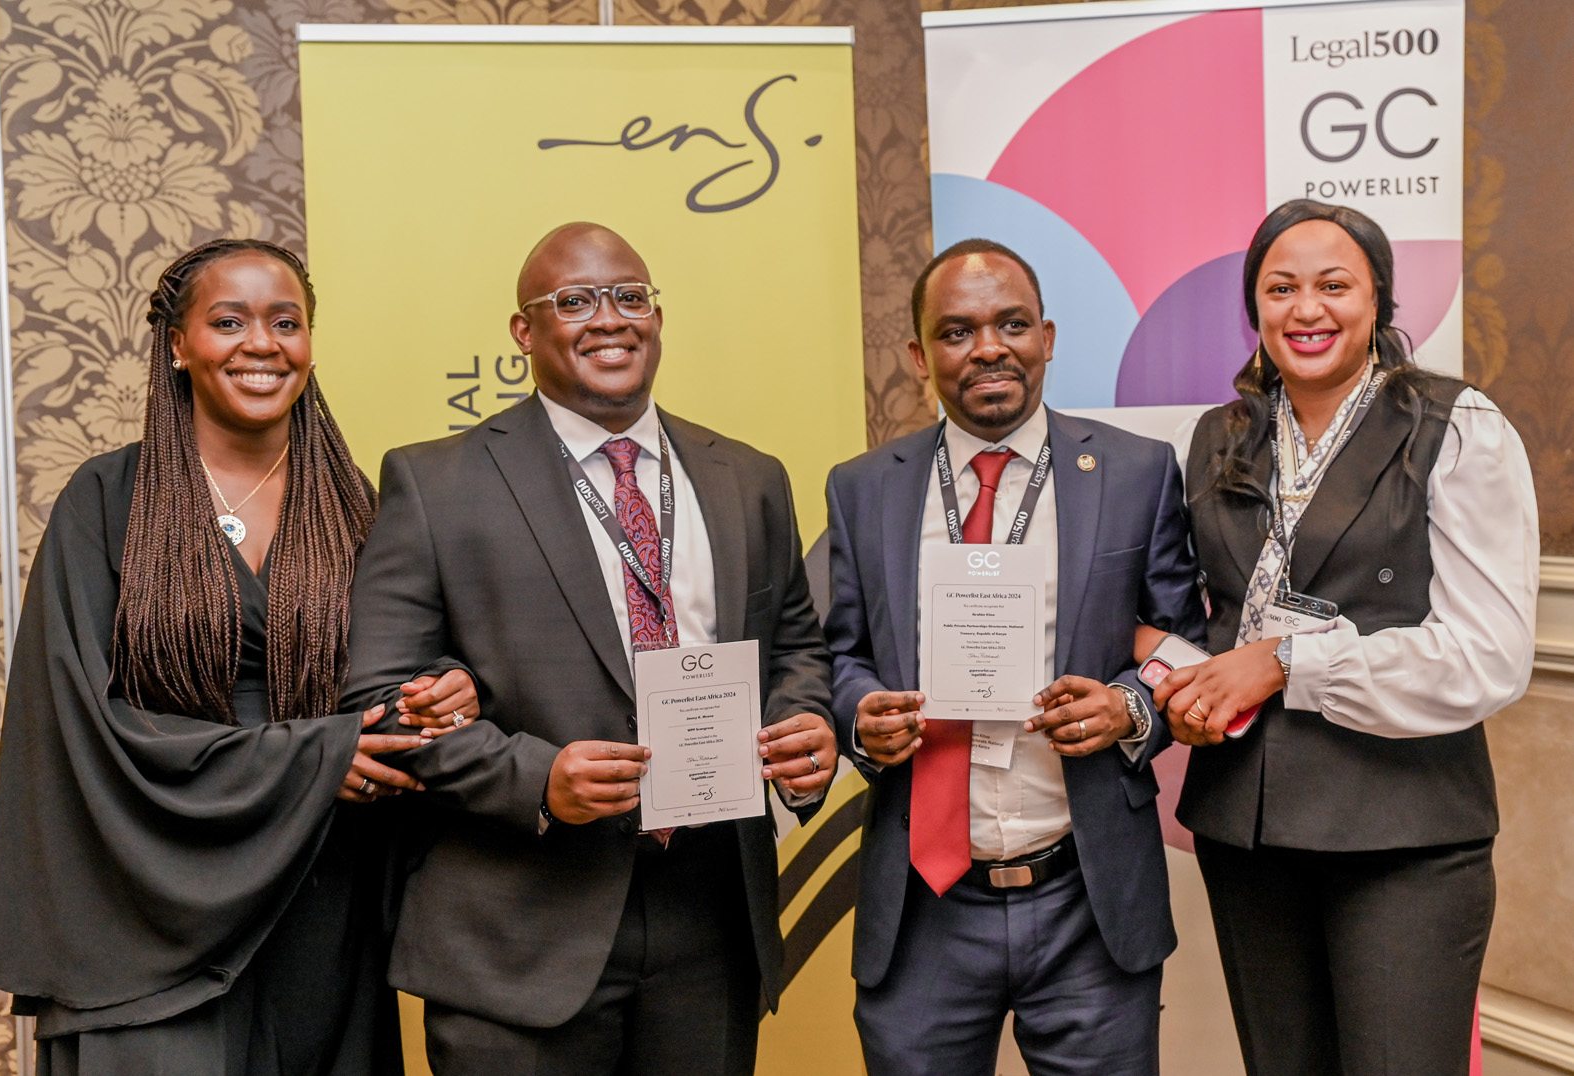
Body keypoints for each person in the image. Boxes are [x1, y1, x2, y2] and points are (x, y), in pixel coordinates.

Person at [339, 221, 839, 1075]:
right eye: (574, 301)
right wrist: (537, 780)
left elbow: (794, 645)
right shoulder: (436, 482)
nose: (610, 319)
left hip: (710, 917)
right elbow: (382, 699)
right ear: (524, 331)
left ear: (656, 317)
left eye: (629, 297)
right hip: (520, 929)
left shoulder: (749, 477)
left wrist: (805, 724)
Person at [0, 238, 480, 1075]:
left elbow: (388, 681)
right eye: (229, 322)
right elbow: (77, 724)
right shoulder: (108, 501)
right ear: (178, 344)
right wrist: (313, 759)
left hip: (319, 905)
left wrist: (442, 692)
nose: (262, 344)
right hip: (148, 910)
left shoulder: (355, 507)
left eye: (286, 322)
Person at [1148, 199, 1538, 1075]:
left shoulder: (1454, 425)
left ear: (1379, 301)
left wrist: (1287, 663)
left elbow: (1488, 654)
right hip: (1247, 833)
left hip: (1404, 834)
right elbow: (1192, 621)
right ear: (1255, 308)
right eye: (1281, 288)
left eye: (1334, 285)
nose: (1307, 309)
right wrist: (1182, 688)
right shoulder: (1213, 439)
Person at [823, 238, 1205, 1075]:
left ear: (1048, 338)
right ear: (919, 356)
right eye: (957, 331)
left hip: (1086, 899)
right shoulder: (863, 487)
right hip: (923, 904)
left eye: (1012, 324)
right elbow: (840, 653)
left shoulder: (1136, 472)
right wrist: (860, 717)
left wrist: (1128, 707)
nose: (988, 347)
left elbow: (1185, 643)